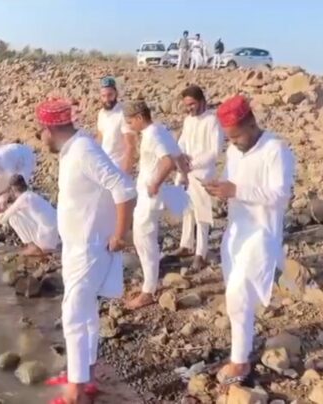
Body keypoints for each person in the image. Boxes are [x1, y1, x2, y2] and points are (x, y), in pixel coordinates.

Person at [35, 98, 136, 404]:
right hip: (77, 245)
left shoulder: (83, 150)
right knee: (87, 312)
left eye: (40, 131)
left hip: (89, 247)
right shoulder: (72, 150)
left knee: (74, 314)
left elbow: (124, 187)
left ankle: (76, 391)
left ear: (49, 128)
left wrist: (120, 234)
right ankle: (84, 376)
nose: (40, 138)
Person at [204, 95, 295, 388]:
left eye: (236, 136)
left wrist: (236, 190)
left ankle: (240, 361)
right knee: (235, 297)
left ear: (251, 124)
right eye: (229, 138)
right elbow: (230, 183)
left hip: (261, 235)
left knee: (239, 292)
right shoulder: (234, 151)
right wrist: (218, 189)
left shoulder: (275, 149)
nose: (233, 143)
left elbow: (280, 195)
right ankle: (239, 350)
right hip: (235, 233)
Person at [123, 100, 190, 310]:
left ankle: (148, 291)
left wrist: (155, 183)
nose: (129, 126)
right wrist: (184, 174)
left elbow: (167, 161)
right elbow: (179, 156)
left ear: (139, 118)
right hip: (150, 195)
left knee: (143, 240)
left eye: (130, 121)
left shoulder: (152, 135)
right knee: (145, 239)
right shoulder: (160, 130)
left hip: (149, 196)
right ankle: (148, 283)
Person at [171, 85, 224, 272]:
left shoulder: (212, 120)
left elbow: (215, 151)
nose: (189, 108)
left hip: (203, 173)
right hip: (186, 171)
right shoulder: (188, 120)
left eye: (192, 104)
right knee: (187, 209)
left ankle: (201, 253)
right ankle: (186, 245)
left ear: (202, 101)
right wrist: (181, 161)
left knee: (202, 214)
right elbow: (182, 143)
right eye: (187, 105)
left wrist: (192, 164)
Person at [0, 174, 59, 256]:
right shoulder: (30, 195)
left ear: (12, 190)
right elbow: (9, 212)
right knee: (15, 213)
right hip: (53, 236)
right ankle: (37, 246)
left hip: (46, 238)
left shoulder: (23, 199)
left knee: (13, 218)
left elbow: (2, 219)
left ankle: (32, 247)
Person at [96, 76, 136, 175]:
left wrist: (125, 173)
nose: (107, 99)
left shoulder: (123, 113)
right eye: (103, 96)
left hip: (118, 168)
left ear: (116, 93)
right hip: (104, 166)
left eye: (110, 95)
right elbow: (100, 139)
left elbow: (130, 146)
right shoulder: (101, 113)